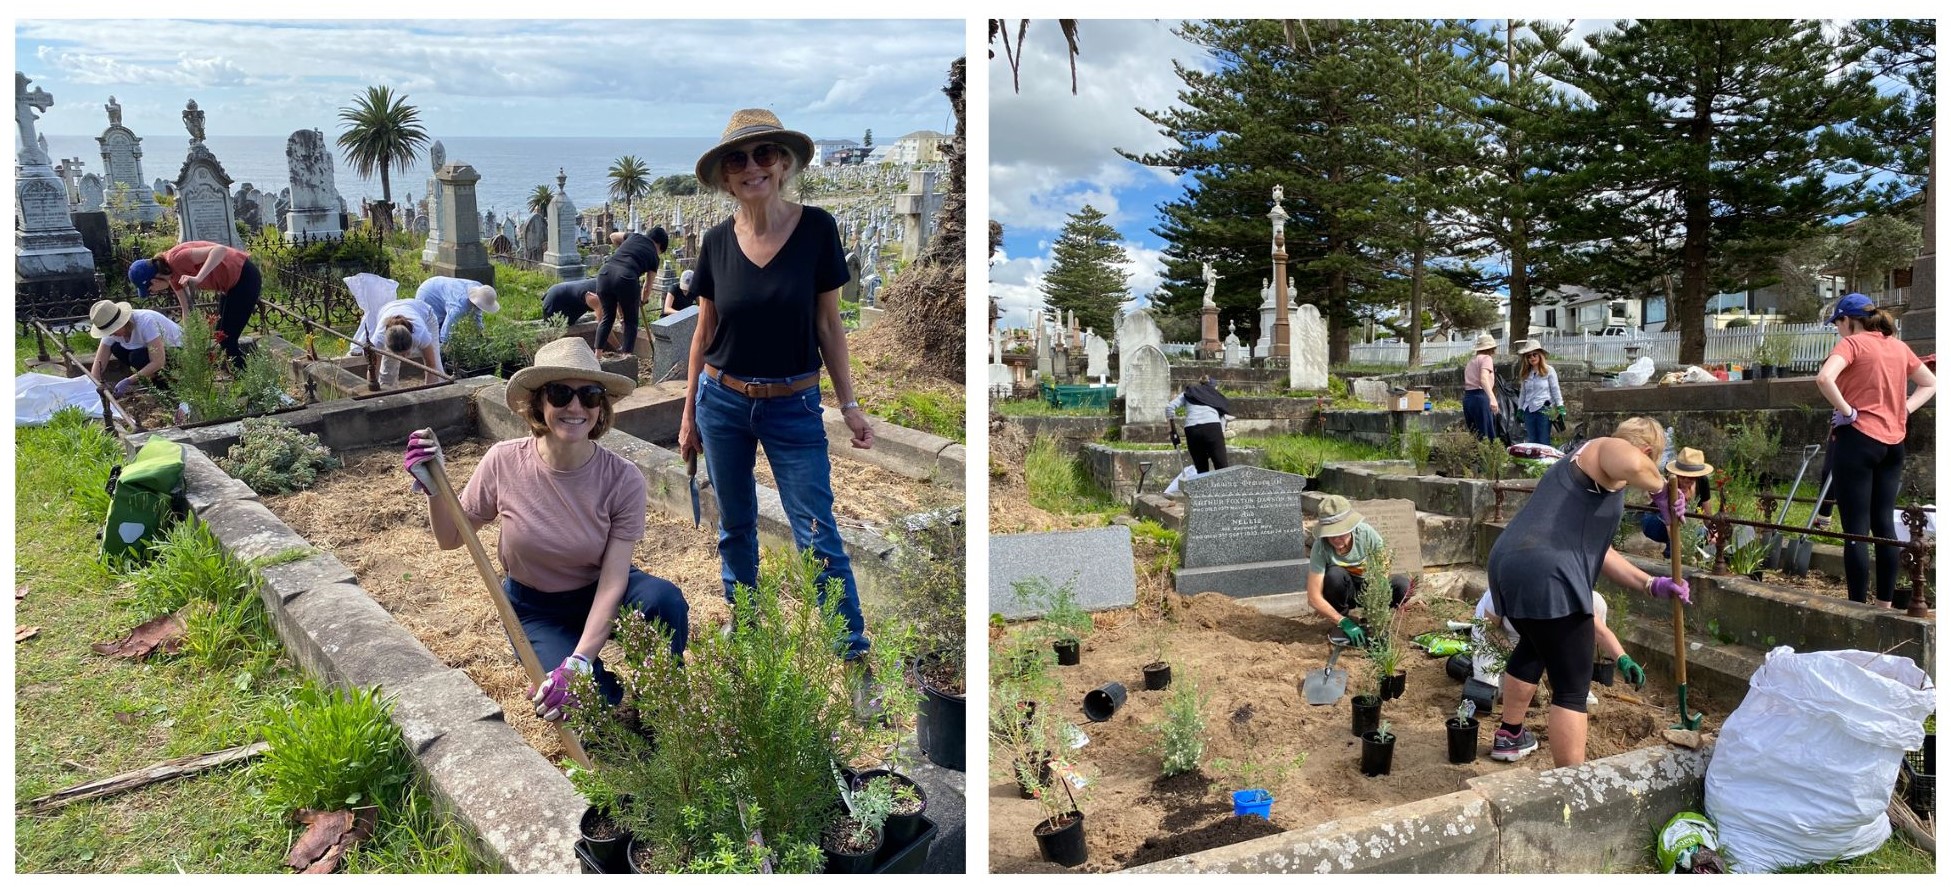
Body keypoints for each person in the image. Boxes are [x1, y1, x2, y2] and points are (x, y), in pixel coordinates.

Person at [403, 337, 689, 719]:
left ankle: (661, 698)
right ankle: (603, 690)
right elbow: (450, 538)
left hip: (598, 590)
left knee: (663, 601)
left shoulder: (623, 479)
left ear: (600, 407)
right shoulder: (503, 462)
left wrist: (580, 662)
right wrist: (434, 489)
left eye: (589, 395)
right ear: (539, 403)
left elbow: (613, 580)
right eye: (559, 393)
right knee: (585, 707)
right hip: (534, 607)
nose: (575, 407)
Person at [679, 108, 873, 664]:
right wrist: (689, 414)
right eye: (737, 159)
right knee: (734, 527)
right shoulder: (716, 242)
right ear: (724, 176)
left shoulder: (816, 229)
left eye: (765, 154)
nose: (751, 167)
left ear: (784, 164)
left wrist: (850, 404)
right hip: (722, 402)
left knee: (816, 532)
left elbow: (829, 324)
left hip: (793, 405)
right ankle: (749, 633)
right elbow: (704, 332)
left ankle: (851, 653)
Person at [1484, 417, 1692, 766]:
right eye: (1651, 461)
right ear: (1645, 451)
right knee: (1572, 685)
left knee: (1534, 645)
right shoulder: (1602, 450)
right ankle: (1572, 783)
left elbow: (1601, 552)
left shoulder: (1584, 477)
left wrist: (1649, 583)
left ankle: (1510, 735)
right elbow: (1628, 458)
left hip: (1511, 563)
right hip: (1547, 569)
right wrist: (1661, 492)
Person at [1814, 293, 1936, 606]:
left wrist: (1847, 410)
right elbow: (1931, 383)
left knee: (1855, 529)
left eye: (1838, 323)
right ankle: (1884, 606)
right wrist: (1905, 410)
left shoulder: (1852, 343)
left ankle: (1857, 608)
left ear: (1848, 320)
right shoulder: (1898, 346)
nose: (1838, 329)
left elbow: (1825, 377)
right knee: (1884, 525)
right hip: (1893, 445)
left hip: (1857, 440)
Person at [1472, 589, 1643, 705]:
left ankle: (1575, 682)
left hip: (1541, 631)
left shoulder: (1571, 588)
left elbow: (1598, 630)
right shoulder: (1509, 584)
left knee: (1596, 601)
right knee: (1491, 694)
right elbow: (1489, 628)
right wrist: (1515, 662)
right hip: (1498, 631)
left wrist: (1623, 659)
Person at [127, 241, 261, 368]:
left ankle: (251, 378)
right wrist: (187, 340)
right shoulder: (173, 276)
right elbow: (186, 310)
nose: (153, 292)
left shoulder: (176, 259)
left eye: (149, 290)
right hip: (231, 285)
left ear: (154, 281)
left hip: (244, 276)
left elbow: (220, 250)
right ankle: (247, 373)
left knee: (226, 339)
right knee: (220, 335)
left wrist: (198, 277)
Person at [1304, 495, 1411, 647]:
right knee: (1334, 575)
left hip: (1368, 587)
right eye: (1330, 534)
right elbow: (1313, 597)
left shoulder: (1366, 534)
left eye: (1340, 533)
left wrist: (1376, 602)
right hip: (1344, 589)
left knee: (1403, 586)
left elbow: (1383, 567)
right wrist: (1342, 621)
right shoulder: (1321, 547)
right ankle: (1342, 621)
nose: (1335, 539)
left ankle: (1373, 621)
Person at [86, 299, 183, 398]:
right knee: (117, 348)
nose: (111, 334)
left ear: (122, 322)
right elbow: (99, 362)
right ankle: (153, 381)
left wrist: (128, 381)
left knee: (136, 357)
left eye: (112, 330)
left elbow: (158, 362)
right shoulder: (110, 328)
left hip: (178, 353)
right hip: (148, 352)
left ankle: (167, 386)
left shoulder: (146, 322)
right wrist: (95, 385)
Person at [596, 226, 668, 358]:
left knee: (608, 318)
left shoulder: (633, 236)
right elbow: (647, 287)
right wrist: (643, 300)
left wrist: (625, 249)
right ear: (659, 245)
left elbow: (612, 236)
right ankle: (626, 358)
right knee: (631, 322)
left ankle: (597, 356)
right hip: (626, 278)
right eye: (660, 251)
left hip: (604, 274)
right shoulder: (654, 257)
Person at [1641, 451, 1714, 557]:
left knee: (1702, 534)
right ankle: (1671, 559)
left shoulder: (1702, 481)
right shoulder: (1671, 483)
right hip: (1656, 519)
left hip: (1684, 522)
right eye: (1682, 475)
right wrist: (1679, 549)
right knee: (1680, 538)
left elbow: (1707, 512)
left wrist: (1711, 532)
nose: (1686, 479)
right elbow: (1669, 520)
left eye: (1691, 477)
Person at [366, 297, 445, 387]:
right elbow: (373, 369)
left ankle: (438, 393)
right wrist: (372, 388)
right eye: (400, 354)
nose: (404, 358)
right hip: (388, 309)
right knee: (387, 374)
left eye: (406, 353)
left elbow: (431, 366)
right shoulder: (378, 340)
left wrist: (427, 394)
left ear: (412, 342)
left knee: (437, 368)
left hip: (425, 313)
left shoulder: (421, 335)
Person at [1167, 375, 1233, 473]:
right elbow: (1222, 416)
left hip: (1192, 430)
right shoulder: (1214, 394)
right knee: (1222, 468)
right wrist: (1221, 432)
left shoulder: (1189, 392)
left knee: (1201, 470)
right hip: (1212, 428)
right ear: (1212, 386)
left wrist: (1173, 430)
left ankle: (1202, 487)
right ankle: (1224, 487)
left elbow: (1170, 407)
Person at [413, 275, 500, 343]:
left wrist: (480, 334)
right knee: (433, 329)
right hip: (428, 294)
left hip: (438, 284)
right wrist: (446, 346)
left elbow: (477, 315)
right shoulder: (458, 306)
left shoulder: (479, 289)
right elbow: (447, 328)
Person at [1514, 340, 1564, 446]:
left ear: (1540, 355)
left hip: (1544, 408)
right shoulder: (1526, 373)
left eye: (1534, 354)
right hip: (1529, 409)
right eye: (1528, 356)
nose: (1532, 358)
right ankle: (1533, 462)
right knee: (1531, 440)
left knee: (1543, 439)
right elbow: (1523, 393)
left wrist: (1560, 406)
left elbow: (1555, 389)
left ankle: (1545, 462)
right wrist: (1520, 409)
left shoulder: (1549, 370)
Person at [1462, 332, 1501, 441]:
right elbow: (1483, 379)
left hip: (1468, 398)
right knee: (1486, 435)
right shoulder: (1486, 359)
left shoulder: (1471, 361)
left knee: (1475, 435)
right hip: (1480, 397)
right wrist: (1492, 398)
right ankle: (1488, 457)